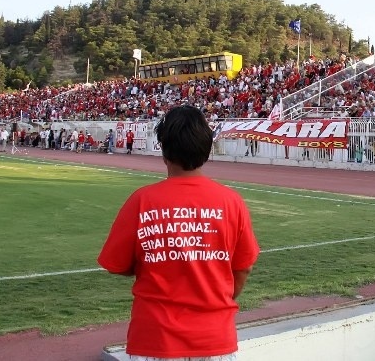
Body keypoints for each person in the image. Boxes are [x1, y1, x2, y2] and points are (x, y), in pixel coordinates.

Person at [98, 105, 260, 360]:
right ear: (206, 150)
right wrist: (221, 295)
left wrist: (156, 258)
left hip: (154, 339)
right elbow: (244, 266)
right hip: (214, 337)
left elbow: (116, 264)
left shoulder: (142, 201)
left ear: (164, 151)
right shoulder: (231, 202)